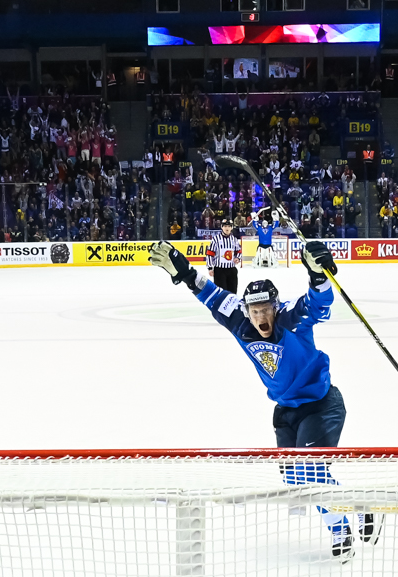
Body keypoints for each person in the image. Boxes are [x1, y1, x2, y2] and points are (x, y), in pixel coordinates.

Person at [148, 237, 368, 555]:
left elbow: (318, 303)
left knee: (312, 473)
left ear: (275, 308)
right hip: (286, 410)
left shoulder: (291, 318)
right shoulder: (239, 320)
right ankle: (357, 505)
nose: (261, 316)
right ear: (247, 310)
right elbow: (210, 294)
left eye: (266, 309)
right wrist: (183, 271)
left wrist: (319, 276)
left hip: (321, 405)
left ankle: (340, 531)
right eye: (255, 310)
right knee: (295, 480)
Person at [207, 219, 241, 293]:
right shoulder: (216, 239)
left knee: (233, 292)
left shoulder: (234, 239)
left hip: (231, 269)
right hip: (219, 270)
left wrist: (237, 258)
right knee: (221, 293)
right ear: (222, 227)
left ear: (231, 228)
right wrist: (210, 268)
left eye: (229, 226)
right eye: (225, 226)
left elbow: (239, 251)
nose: (227, 228)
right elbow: (210, 254)